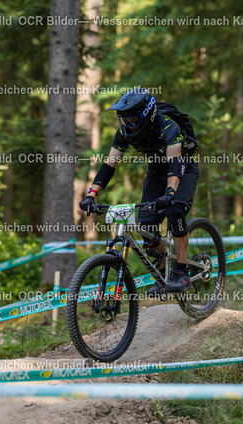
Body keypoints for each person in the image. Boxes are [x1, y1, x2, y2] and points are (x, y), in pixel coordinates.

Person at [79, 87, 199, 295]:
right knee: (146, 226)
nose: (128, 124)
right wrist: (91, 194)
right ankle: (163, 272)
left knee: (175, 210)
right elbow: (110, 164)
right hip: (156, 172)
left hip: (183, 168)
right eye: (124, 120)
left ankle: (181, 271)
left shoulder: (167, 126)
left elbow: (175, 161)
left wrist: (170, 193)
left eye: (133, 119)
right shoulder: (124, 132)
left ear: (147, 114)